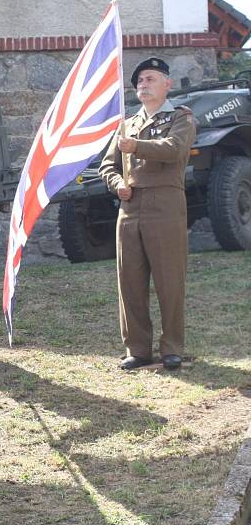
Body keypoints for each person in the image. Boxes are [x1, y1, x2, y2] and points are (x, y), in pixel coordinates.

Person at [99, 57, 196, 370]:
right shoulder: (127, 124)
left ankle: (172, 348)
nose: (143, 84)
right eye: (140, 80)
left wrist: (136, 146)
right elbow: (108, 166)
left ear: (167, 84)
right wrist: (117, 185)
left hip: (165, 205)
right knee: (130, 281)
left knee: (169, 280)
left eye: (151, 78)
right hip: (130, 209)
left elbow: (175, 149)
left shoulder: (180, 117)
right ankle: (138, 349)